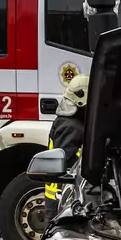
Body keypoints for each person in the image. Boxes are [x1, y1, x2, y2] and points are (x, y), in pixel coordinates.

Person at [44, 74, 89, 220]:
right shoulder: (72, 127)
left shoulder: (67, 122)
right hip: (62, 196)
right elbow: (67, 162)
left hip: (61, 194)